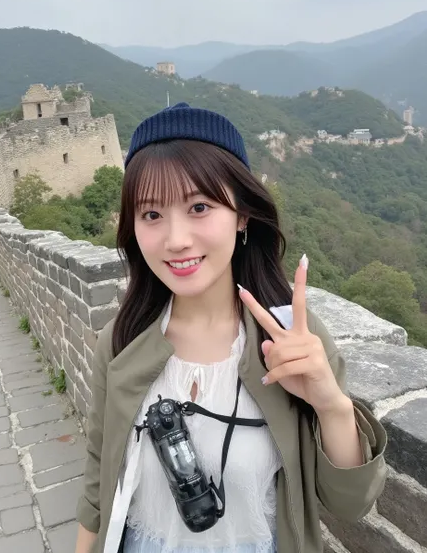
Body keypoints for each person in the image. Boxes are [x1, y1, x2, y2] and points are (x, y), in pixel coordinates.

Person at [75, 103, 387, 553]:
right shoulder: (121, 343)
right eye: (151, 215)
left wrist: (331, 405)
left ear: (243, 215)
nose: (176, 239)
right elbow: (96, 484)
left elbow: (350, 504)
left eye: (199, 207)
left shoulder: (288, 340)